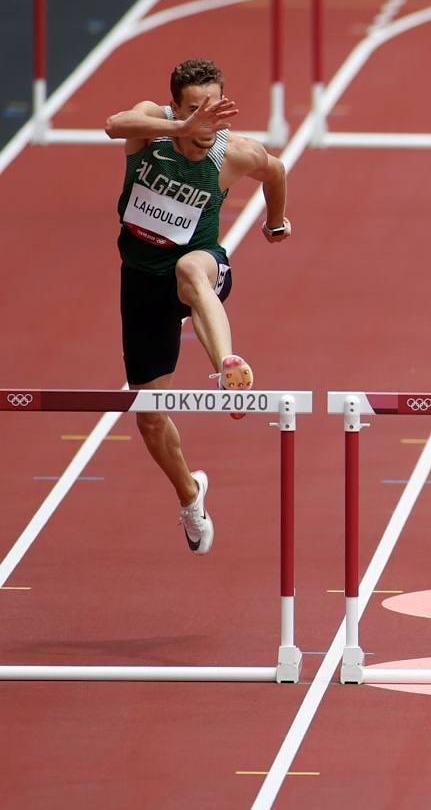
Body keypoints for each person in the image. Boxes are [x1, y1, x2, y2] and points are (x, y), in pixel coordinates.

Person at [103, 58, 293, 555]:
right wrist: (178, 126)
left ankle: (227, 366)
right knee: (148, 414)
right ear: (175, 106)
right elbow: (112, 124)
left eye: (215, 108)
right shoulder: (151, 127)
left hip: (202, 267)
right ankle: (191, 495)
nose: (208, 121)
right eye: (195, 110)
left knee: (191, 269)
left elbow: (276, 172)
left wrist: (276, 222)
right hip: (141, 280)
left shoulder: (234, 154)